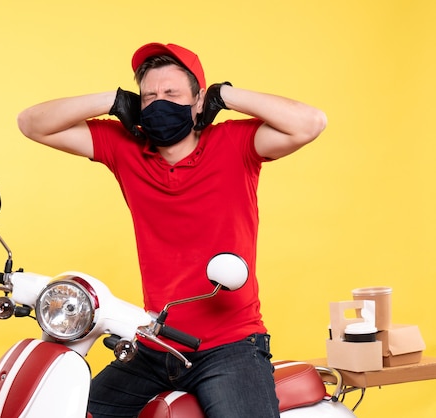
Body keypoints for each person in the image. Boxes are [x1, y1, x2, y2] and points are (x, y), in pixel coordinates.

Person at [17, 42, 327, 418]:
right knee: (68, 409)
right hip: (154, 344)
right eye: (149, 96)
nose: (159, 102)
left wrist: (224, 94)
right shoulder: (125, 149)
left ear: (197, 101)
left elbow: (310, 123)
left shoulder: (235, 144)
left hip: (230, 347)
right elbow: (31, 123)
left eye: (172, 93)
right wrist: (111, 100)